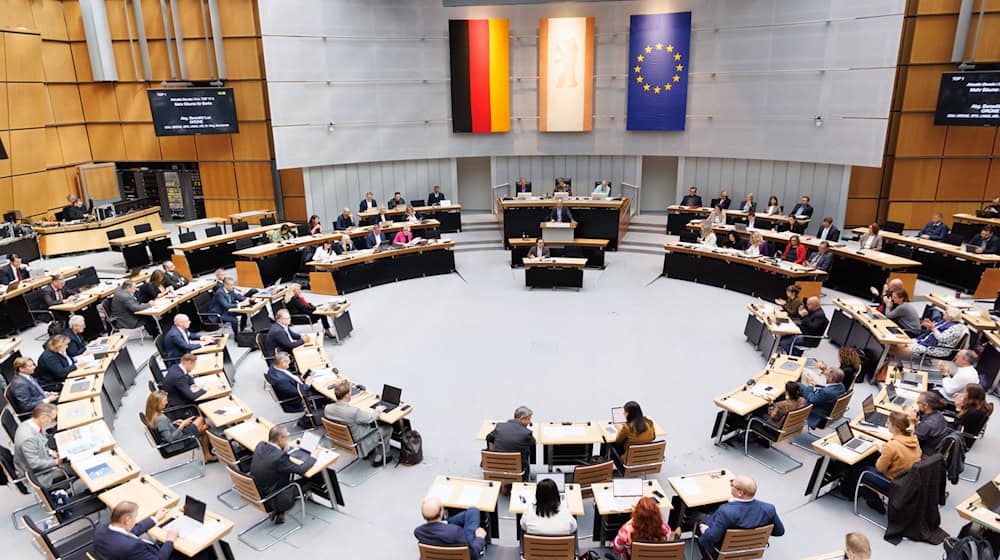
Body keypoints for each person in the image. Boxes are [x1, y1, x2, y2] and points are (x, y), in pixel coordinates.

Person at [696, 475, 784, 552]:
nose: (730, 485)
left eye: (732, 485)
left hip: (724, 551)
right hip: (752, 549)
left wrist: (704, 528)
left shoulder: (726, 511)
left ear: (740, 493)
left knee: (698, 519)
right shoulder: (769, 509)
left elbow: (712, 537)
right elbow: (779, 532)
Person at [855, 411, 920, 512]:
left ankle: (873, 502)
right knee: (872, 456)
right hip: (906, 481)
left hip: (892, 483)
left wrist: (884, 453)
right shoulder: (913, 439)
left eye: (888, 423)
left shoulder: (891, 446)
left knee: (860, 469)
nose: (886, 425)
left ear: (896, 427)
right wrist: (884, 452)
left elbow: (880, 468)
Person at [250, 425, 315, 524]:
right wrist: (313, 457)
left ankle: (279, 512)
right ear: (280, 439)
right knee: (310, 480)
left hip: (258, 493)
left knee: (279, 475)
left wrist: (282, 451)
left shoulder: (260, 445)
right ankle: (280, 509)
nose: (287, 441)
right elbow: (301, 469)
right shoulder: (279, 457)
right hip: (274, 498)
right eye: (286, 438)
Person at [325, 379, 394, 465]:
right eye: (350, 392)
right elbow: (370, 419)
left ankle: (370, 452)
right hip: (360, 442)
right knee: (388, 428)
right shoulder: (353, 412)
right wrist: (378, 411)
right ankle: (382, 456)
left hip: (341, 441)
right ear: (346, 396)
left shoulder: (327, 409)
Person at [93, 502, 181, 560]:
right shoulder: (132, 547)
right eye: (135, 517)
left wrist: (155, 518)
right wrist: (170, 539)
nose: (135, 520)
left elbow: (131, 531)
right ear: (127, 520)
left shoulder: (101, 529)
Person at [144, 390, 214, 463]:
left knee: (201, 419)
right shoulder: (161, 419)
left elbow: (163, 428)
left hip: (177, 433)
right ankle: (207, 455)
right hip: (179, 442)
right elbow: (170, 439)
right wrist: (183, 425)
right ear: (157, 404)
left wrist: (173, 423)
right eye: (164, 401)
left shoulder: (153, 414)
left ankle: (207, 455)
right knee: (205, 427)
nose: (167, 402)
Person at [13, 403, 67, 488]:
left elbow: (39, 444)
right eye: (52, 419)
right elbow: (35, 464)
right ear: (43, 417)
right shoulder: (28, 438)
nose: (52, 422)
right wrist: (56, 462)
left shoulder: (28, 424)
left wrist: (50, 452)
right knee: (72, 468)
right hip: (38, 475)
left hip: (43, 458)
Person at [414, 498, 487, 558]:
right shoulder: (456, 532)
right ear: (441, 512)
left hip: (443, 534)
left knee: (472, 512)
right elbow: (473, 554)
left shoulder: (419, 532)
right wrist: (479, 539)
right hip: (459, 547)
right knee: (473, 511)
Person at [266, 352, 322, 417]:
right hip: (296, 400)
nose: (289, 364)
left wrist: (299, 378)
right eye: (288, 362)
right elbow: (297, 392)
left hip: (296, 385)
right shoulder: (281, 380)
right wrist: (307, 384)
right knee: (321, 391)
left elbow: (289, 377)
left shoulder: (274, 366)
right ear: (283, 363)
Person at [486, 406, 535, 480]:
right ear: (522, 418)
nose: (529, 422)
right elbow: (532, 443)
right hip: (517, 471)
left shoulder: (500, 426)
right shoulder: (526, 433)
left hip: (497, 468)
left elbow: (488, 438)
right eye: (528, 419)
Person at [901, 307, 967, 359]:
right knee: (903, 342)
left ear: (951, 316)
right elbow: (933, 332)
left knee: (903, 347)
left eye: (946, 313)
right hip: (927, 342)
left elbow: (942, 339)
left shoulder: (956, 328)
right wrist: (929, 326)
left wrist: (933, 328)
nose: (944, 313)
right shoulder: (944, 322)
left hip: (938, 349)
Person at [611, 401, 655, 470]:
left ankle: (604, 467)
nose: (623, 414)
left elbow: (618, 440)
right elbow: (653, 437)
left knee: (611, 445)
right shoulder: (649, 423)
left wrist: (620, 428)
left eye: (625, 412)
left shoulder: (627, 427)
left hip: (629, 461)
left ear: (629, 414)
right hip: (646, 458)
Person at [160, 353, 206, 418]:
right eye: (194, 365)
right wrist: (205, 389)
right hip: (178, 405)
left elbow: (188, 376)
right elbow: (192, 396)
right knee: (207, 400)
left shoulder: (176, 367)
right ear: (190, 363)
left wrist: (193, 384)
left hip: (174, 397)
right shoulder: (179, 377)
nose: (194, 367)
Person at [953, 383, 993, 449]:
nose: (964, 394)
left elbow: (956, 424)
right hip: (966, 430)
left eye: (965, 392)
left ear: (971, 395)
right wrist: (963, 401)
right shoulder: (982, 406)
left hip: (961, 437)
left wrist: (958, 408)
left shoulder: (973, 413)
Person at [910, 391, 948, 456]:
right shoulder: (938, 414)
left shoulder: (927, 424)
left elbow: (911, 440)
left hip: (925, 452)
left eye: (918, 402)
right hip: (934, 446)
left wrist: (912, 423)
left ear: (925, 406)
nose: (917, 404)